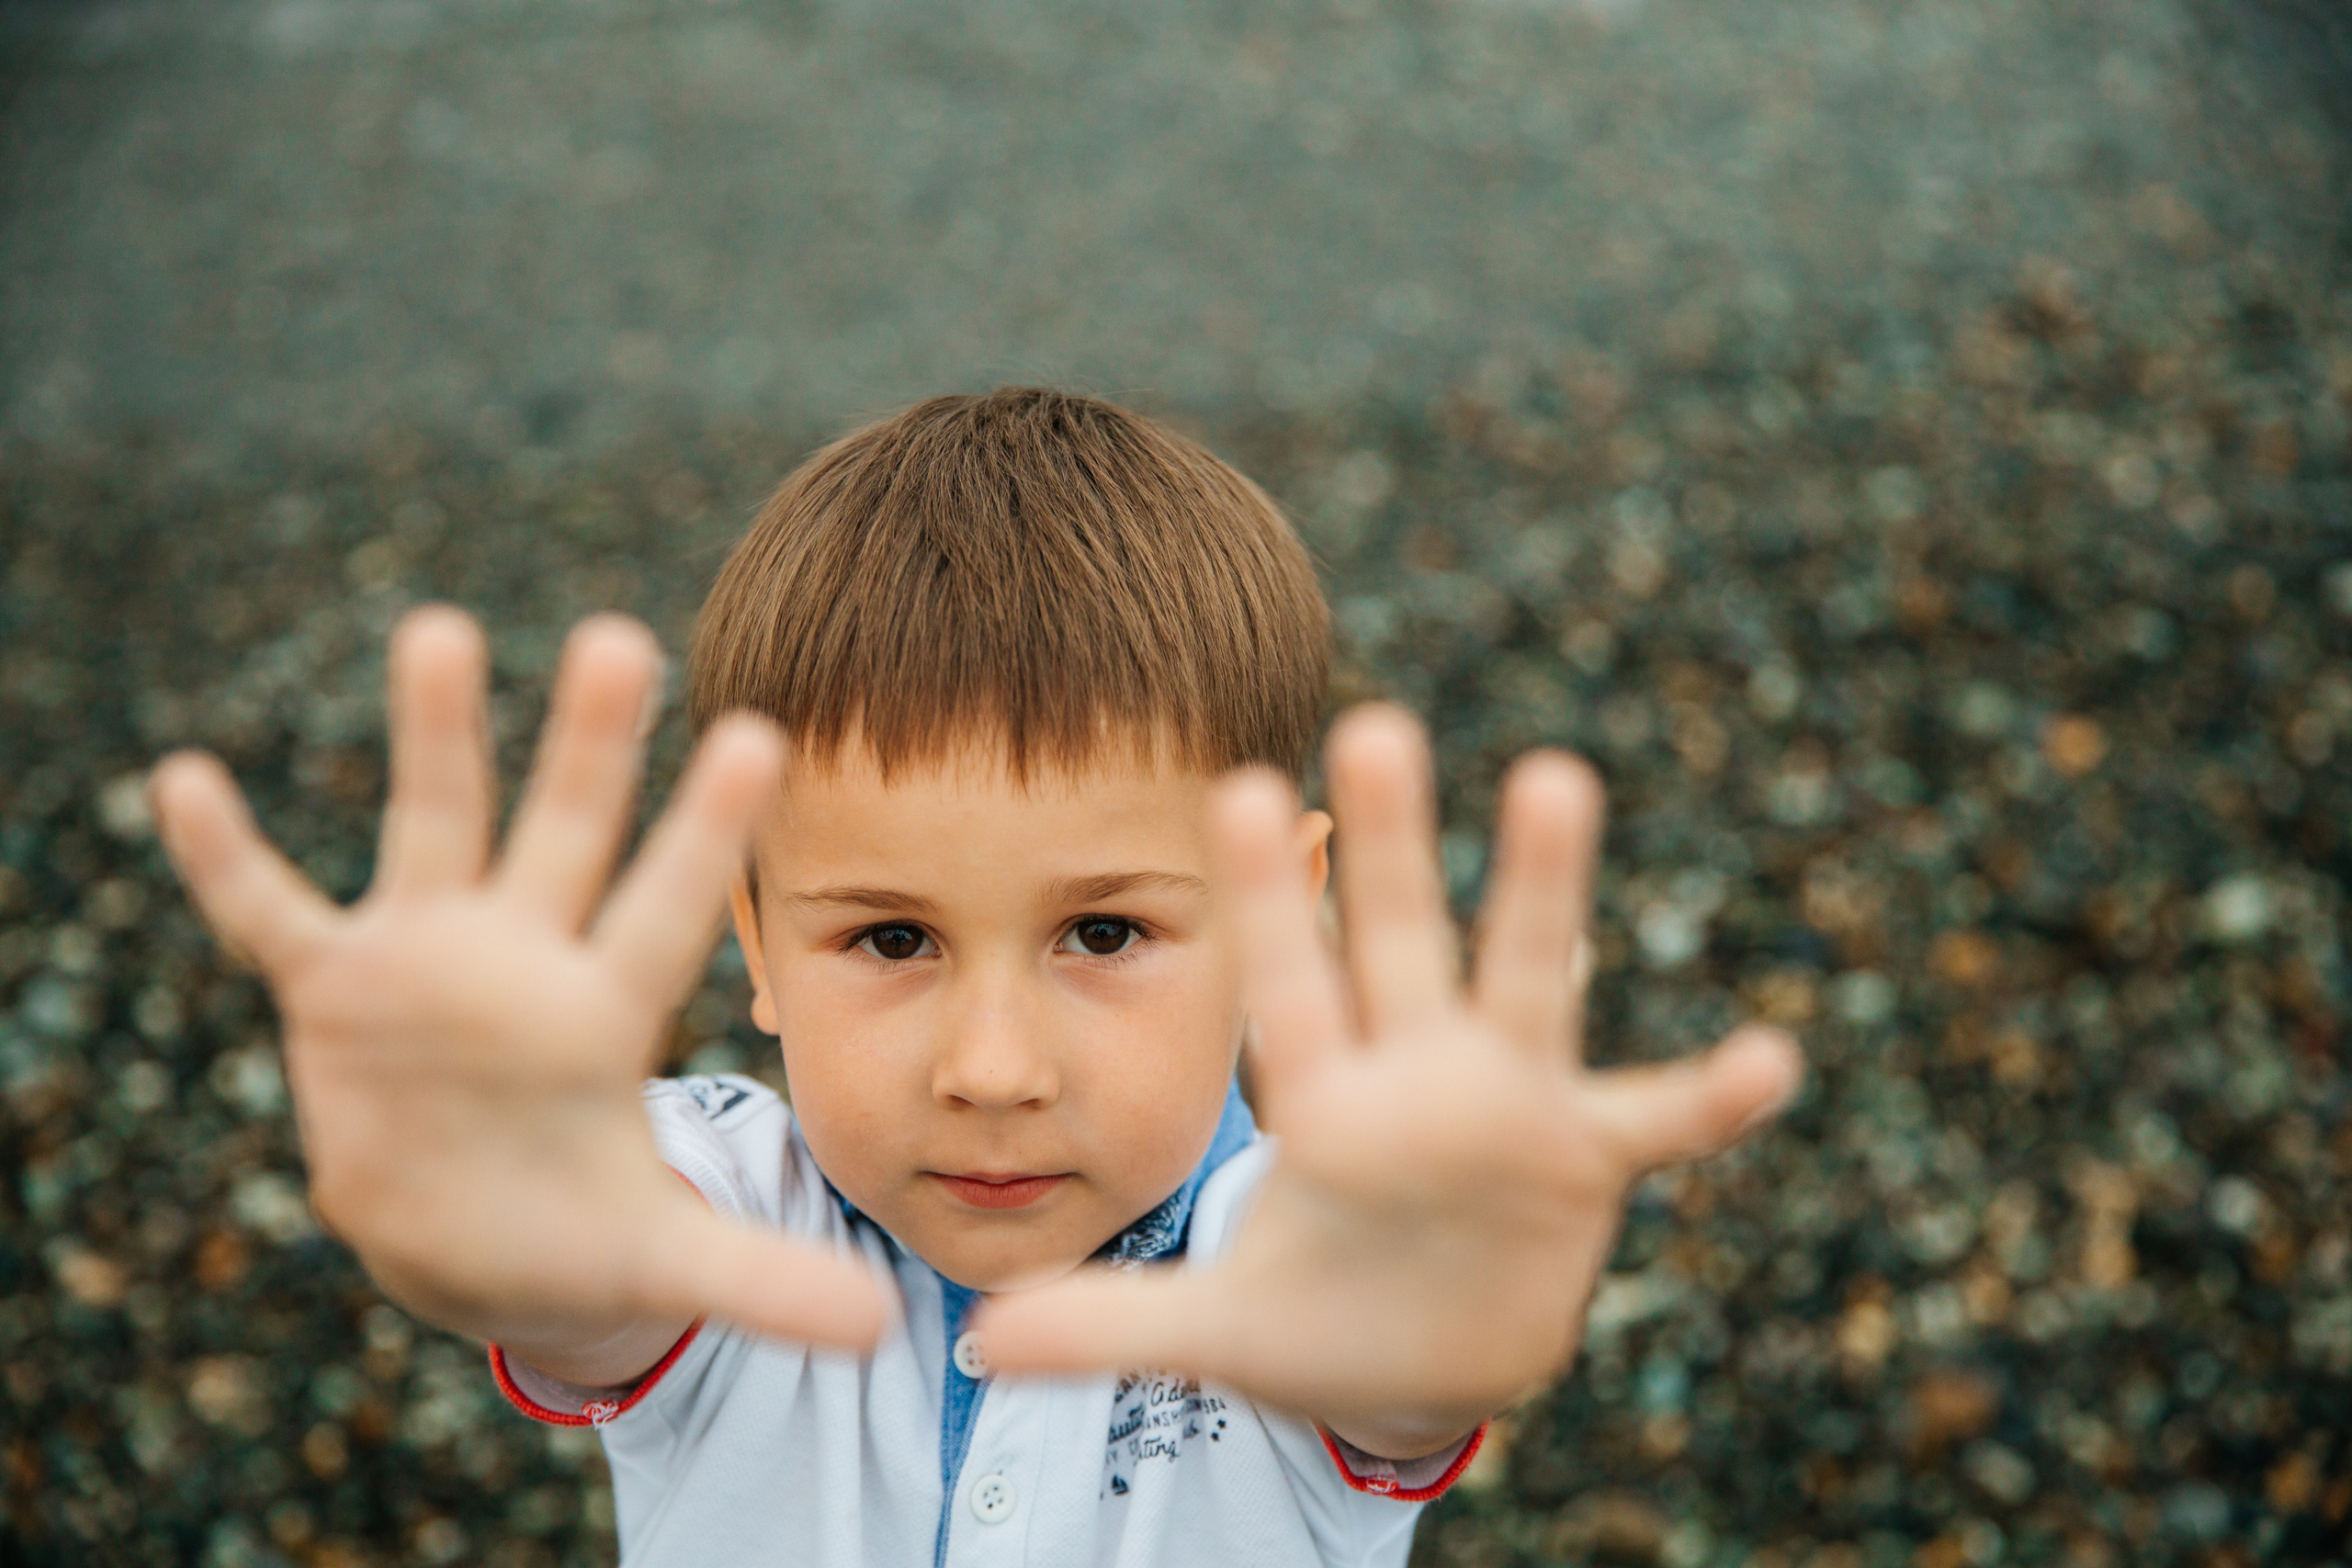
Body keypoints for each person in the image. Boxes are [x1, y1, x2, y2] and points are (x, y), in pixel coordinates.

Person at [149, 389, 1801, 1567]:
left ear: (1273, 911)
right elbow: (587, 1265)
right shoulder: (728, 1212)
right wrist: (487, 1205)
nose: (991, 1067)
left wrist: (1449, 1310)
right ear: (755, 940)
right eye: (889, 938)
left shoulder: (1296, 1256)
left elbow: (1386, 1347)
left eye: (1102, 934)